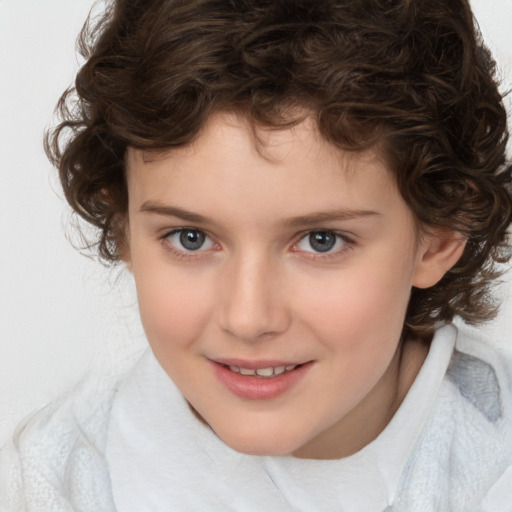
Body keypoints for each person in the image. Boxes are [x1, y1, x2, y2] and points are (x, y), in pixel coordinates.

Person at [1, 0, 511, 510]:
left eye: (321, 241)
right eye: (191, 238)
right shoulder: (59, 478)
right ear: (126, 229)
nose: (248, 318)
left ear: (440, 234)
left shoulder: (493, 472)